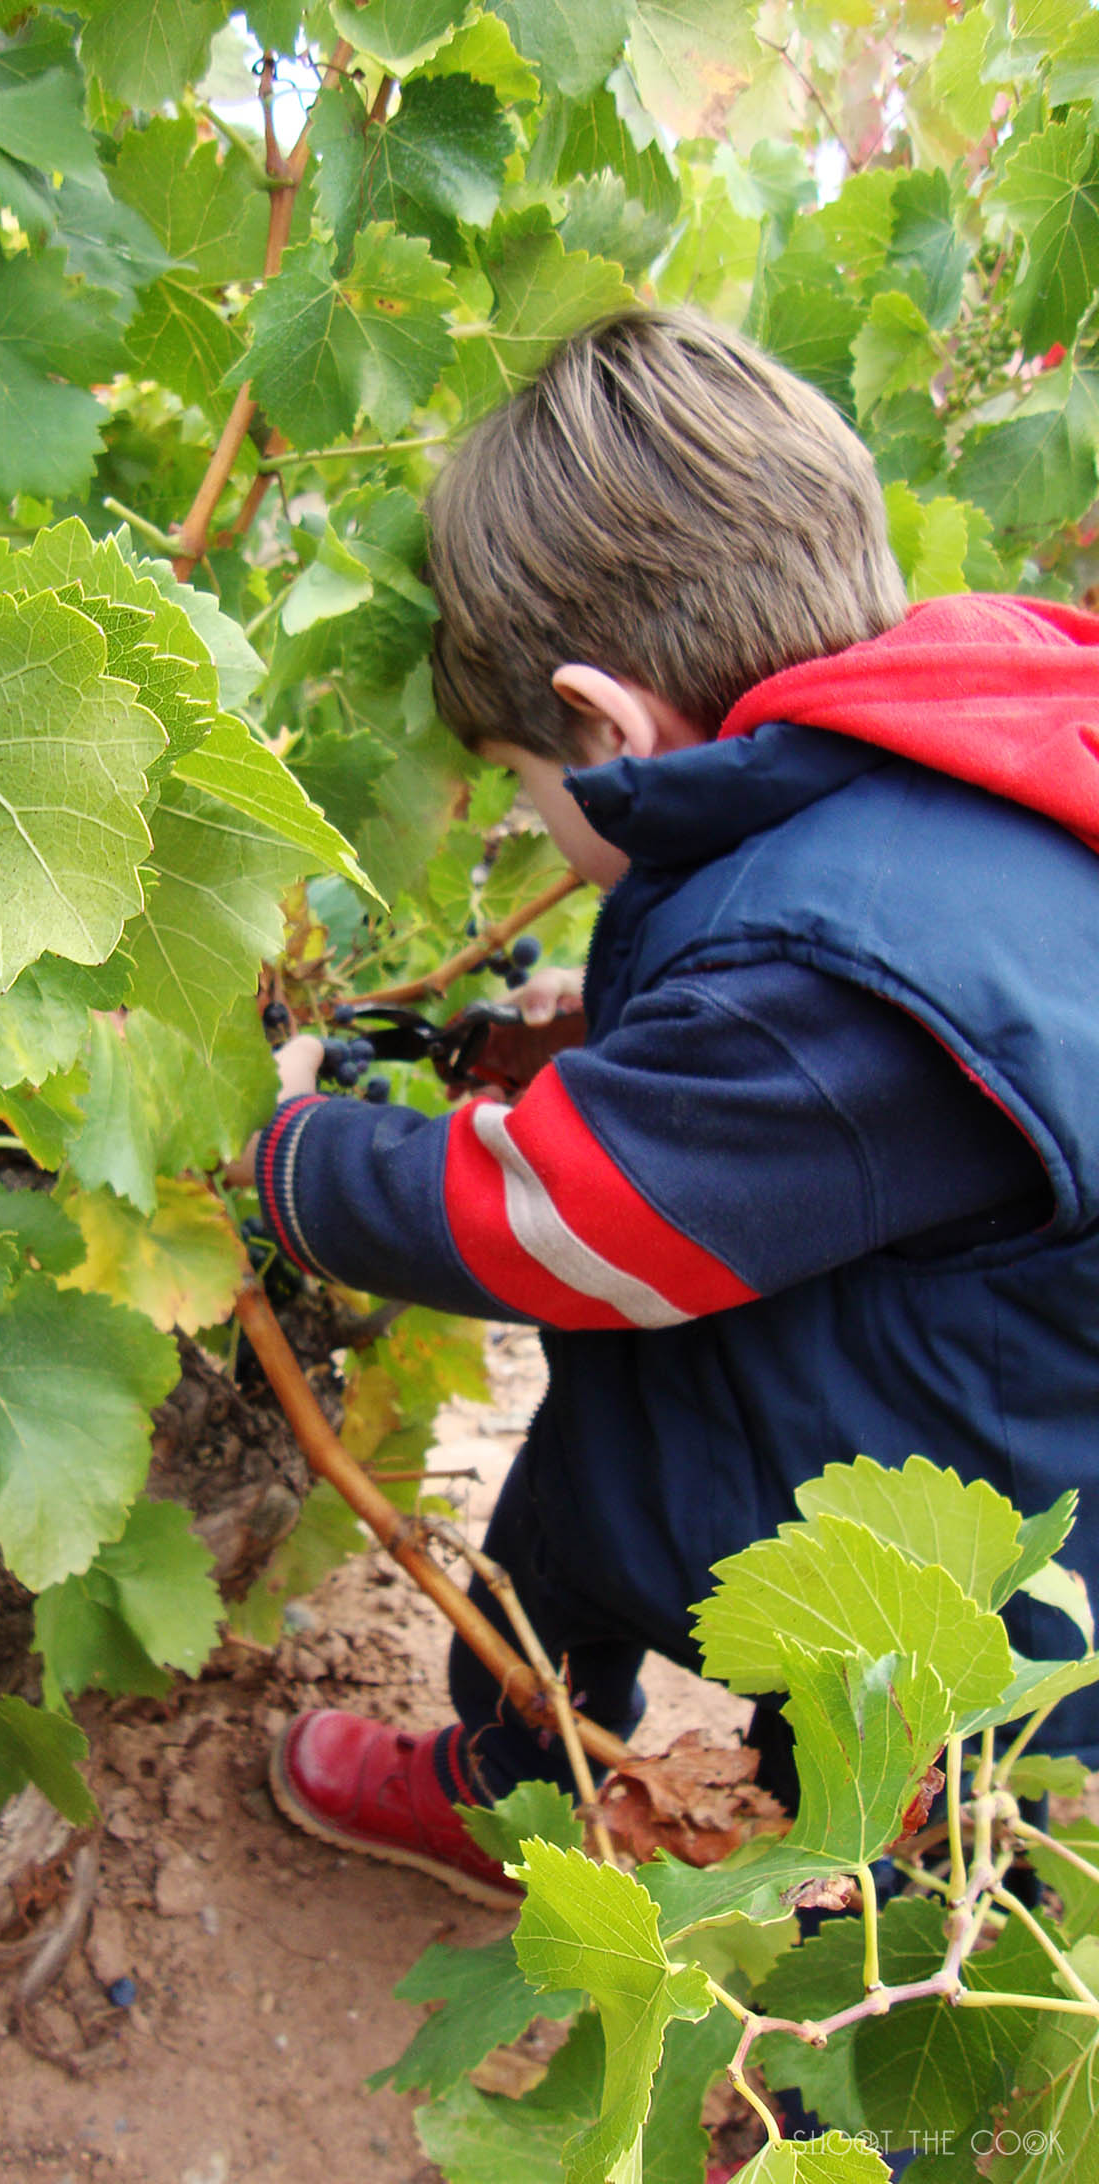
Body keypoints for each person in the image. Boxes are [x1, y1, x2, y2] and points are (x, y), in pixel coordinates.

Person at [238, 306, 1099, 1910]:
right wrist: (573, 1030)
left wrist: (289, 1150)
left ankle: (856, 2119)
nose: (525, 814)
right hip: (793, 1369)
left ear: (613, 726)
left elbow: (554, 1221)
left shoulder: (836, 974)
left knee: (914, 1818)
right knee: (555, 1535)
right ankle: (521, 1800)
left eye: (519, 782)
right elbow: (797, 1044)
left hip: (964, 1528)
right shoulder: (910, 763)